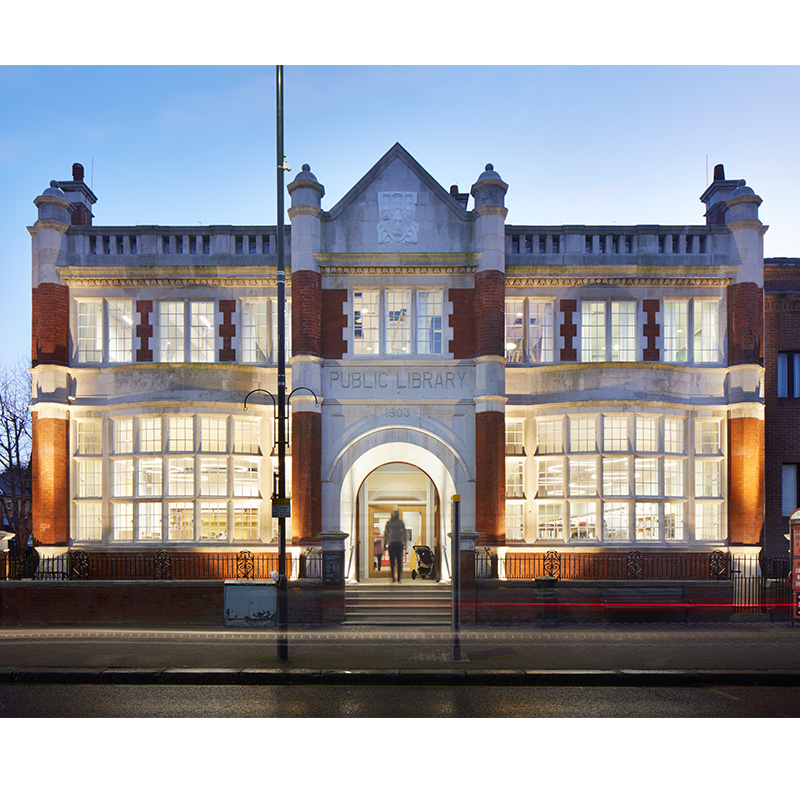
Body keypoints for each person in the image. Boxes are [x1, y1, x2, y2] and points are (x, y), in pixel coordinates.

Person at [383, 509, 407, 583]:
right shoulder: (397, 523)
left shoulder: (390, 523)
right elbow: (404, 533)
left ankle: (396, 577)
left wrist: (385, 543)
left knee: (395, 562)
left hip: (394, 543)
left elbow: (386, 534)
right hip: (396, 543)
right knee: (396, 562)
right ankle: (396, 577)